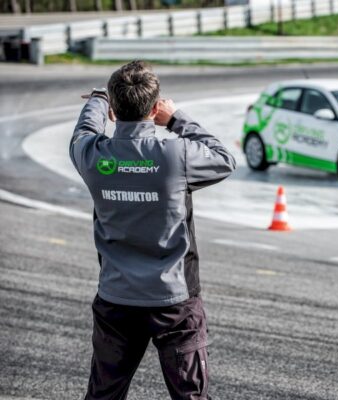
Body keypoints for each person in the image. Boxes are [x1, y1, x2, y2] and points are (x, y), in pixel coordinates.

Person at [70, 60, 236, 400]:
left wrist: (99, 99)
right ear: (155, 107)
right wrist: (175, 119)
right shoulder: (176, 154)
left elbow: (84, 129)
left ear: (114, 108)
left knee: (103, 396)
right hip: (174, 300)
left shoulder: (92, 154)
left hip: (116, 297)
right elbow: (224, 158)